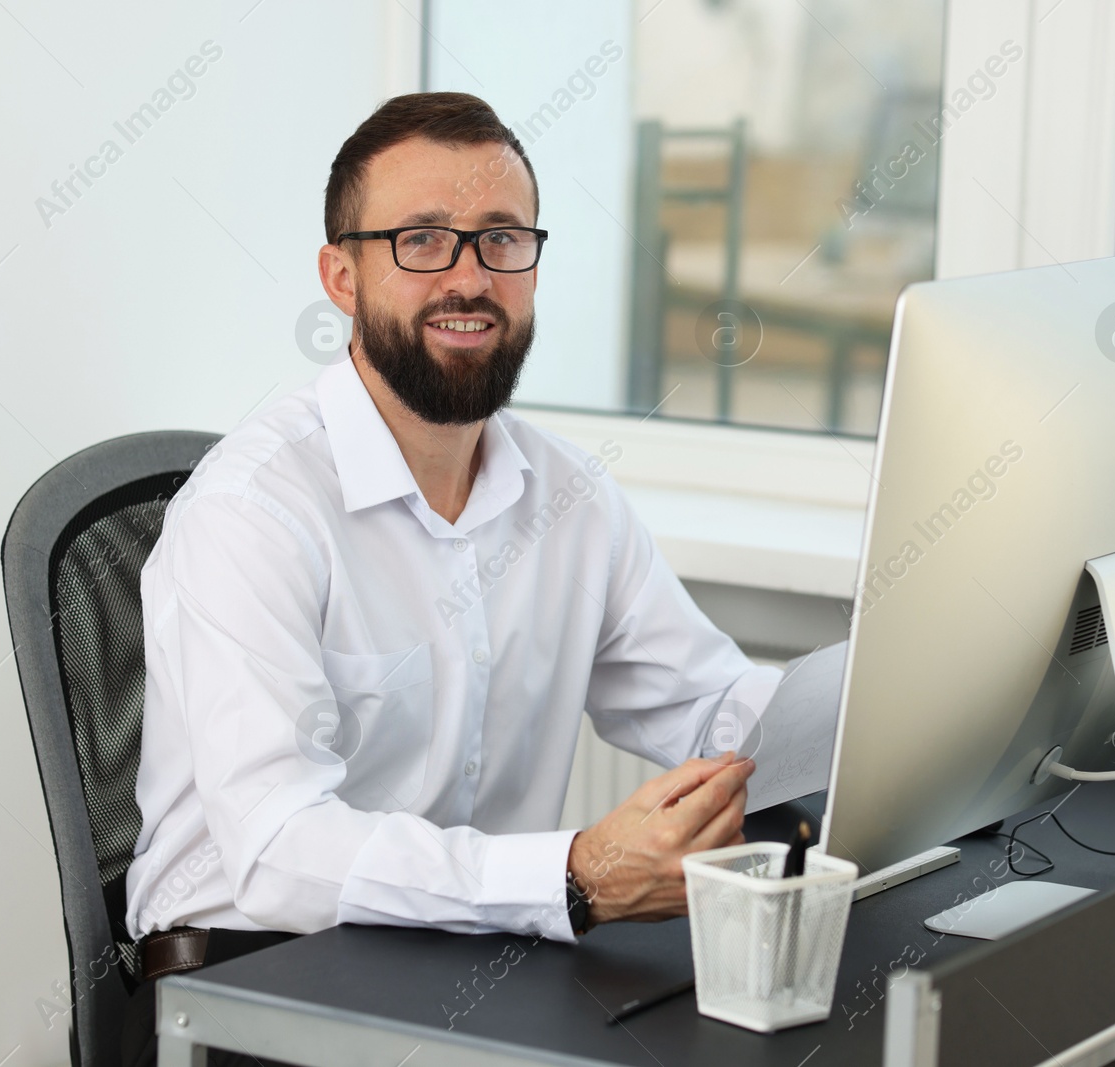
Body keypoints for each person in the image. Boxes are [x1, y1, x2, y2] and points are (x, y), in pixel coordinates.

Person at [121, 92, 798, 1065]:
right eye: (423, 241)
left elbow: (711, 706)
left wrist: (895, 696)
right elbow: (276, 849)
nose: (470, 277)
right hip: (247, 983)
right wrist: (574, 874)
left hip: (469, 964)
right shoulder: (253, 511)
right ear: (341, 276)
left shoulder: (570, 495)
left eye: (500, 240)